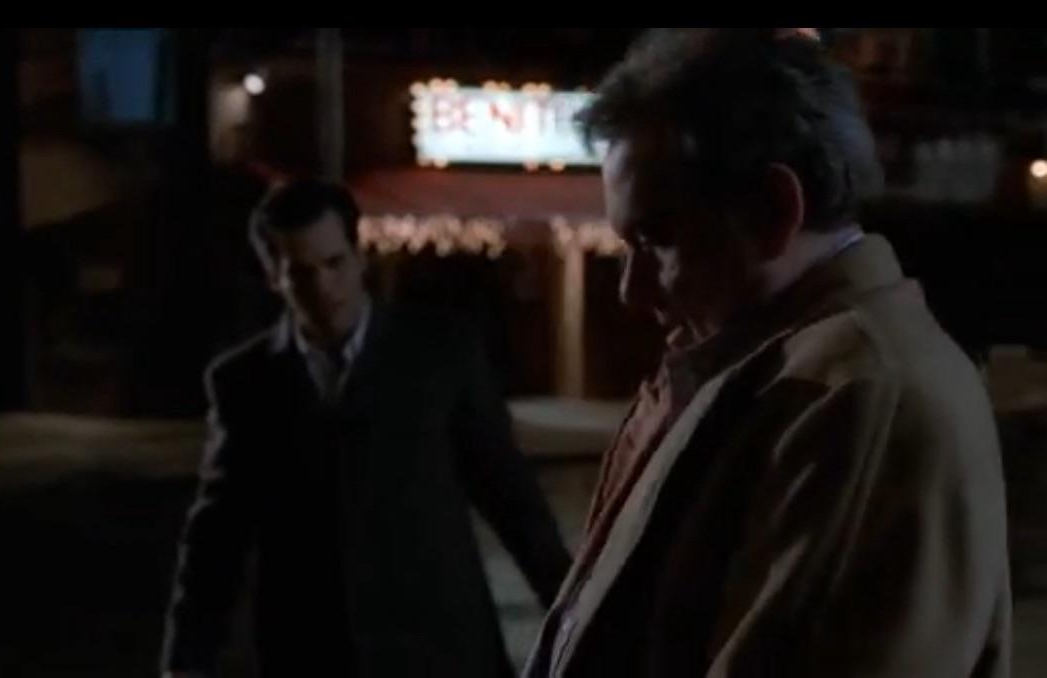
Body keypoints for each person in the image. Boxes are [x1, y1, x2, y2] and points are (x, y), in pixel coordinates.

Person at [524, 28, 1011, 677]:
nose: (631, 290)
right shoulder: (754, 364)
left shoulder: (857, 396)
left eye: (658, 239)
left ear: (774, 210)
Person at [162, 179, 571, 678]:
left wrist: (572, 609)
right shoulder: (245, 383)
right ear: (273, 276)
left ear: (359, 256)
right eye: (301, 273)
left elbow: (510, 495)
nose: (323, 287)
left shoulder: (438, 354)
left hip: (440, 648)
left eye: (334, 263)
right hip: (311, 652)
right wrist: (186, 662)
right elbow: (217, 536)